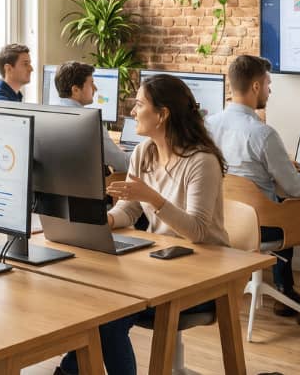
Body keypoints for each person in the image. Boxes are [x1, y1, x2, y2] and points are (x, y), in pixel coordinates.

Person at [57, 74, 229, 375]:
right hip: (162, 265)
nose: (132, 112)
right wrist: (107, 220)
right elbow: (130, 207)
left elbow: (199, 232)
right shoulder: (143, 152)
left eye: (138, 105)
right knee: (99, 308)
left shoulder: (201, 161)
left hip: (204, 274)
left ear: (162, 114)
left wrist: (156, 199)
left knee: (109, 316)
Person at [205, 55, 300, 327]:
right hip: (263, 226)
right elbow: (297, 189)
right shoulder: (263, 134)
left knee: (278, 201)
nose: (270, 90)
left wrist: (283, 165)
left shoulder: (208, 125)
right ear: (256, 87)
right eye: (268, 83)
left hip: (225, 220)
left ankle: (284, 291)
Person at [52, 61, 130, 173]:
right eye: (91, 83)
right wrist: (144, 150)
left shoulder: (47, 114)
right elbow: (123, 163)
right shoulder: (90, 122)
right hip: (84, 189)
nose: (95, 88)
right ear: (75, 90)